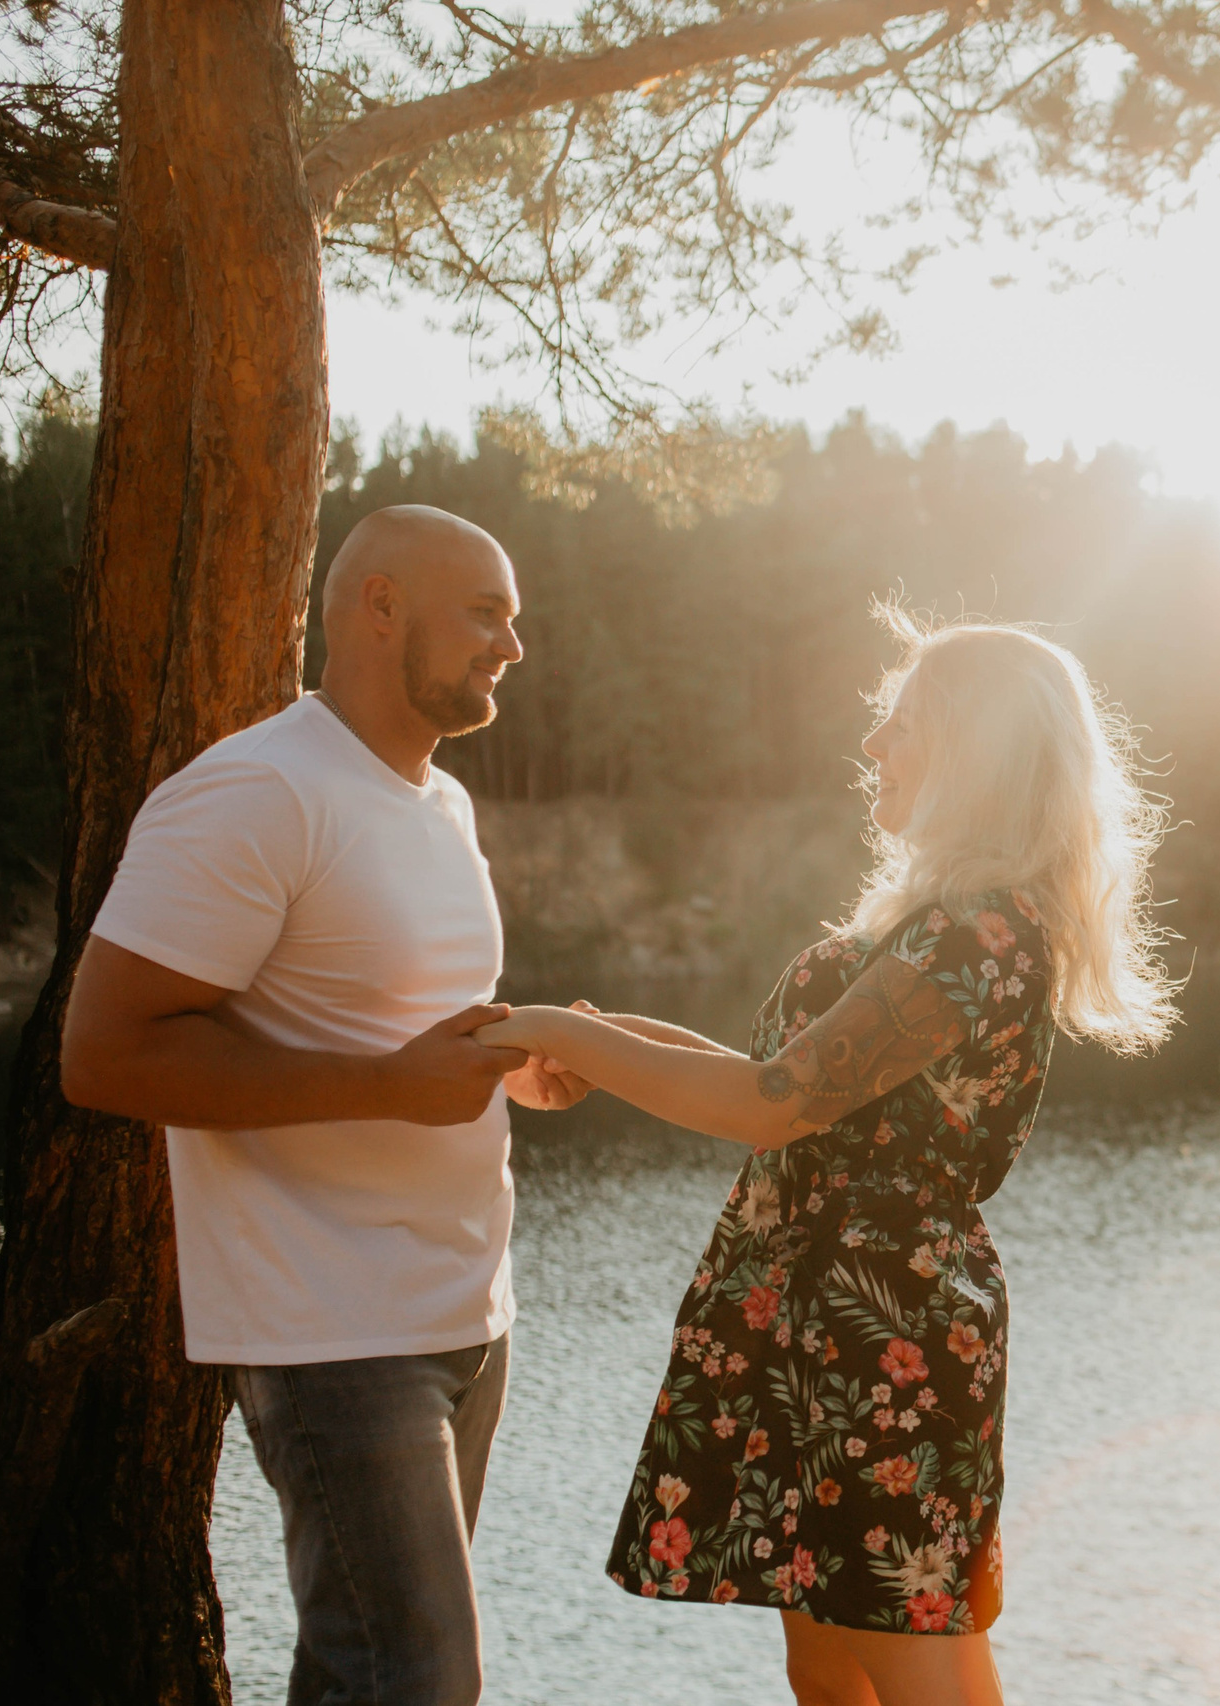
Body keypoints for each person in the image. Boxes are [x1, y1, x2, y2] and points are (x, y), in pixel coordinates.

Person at [478, 612, 1177, 1706]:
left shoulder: (977, 933)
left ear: (974, 749)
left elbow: (774, 1103)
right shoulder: (945, 918)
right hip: (824, 1316)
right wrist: (607, 1037)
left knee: (908, 1649)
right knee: (828, 1660)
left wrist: (568, 1038)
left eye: (901, 728)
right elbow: (808, 1094)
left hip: (880, 1328)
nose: (871, 750)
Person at [61, 505, 588, 1706]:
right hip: (334, 1330)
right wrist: (391, 1088)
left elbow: (382, 1019)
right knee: (416, 1679)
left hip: (464, 1312)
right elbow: (102, 1054)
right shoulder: (255, 790)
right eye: (488, 613)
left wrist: (513, 1059)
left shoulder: (438, 804)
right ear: (381, 605)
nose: (515, 645)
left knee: (362, 1675)